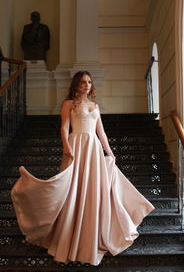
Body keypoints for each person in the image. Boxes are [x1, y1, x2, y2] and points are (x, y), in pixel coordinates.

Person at [11, 71, 155, 266]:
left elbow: (101, 132)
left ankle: (90, 239)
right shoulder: (69, 104)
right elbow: (64, 128)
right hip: (76, 146)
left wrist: (110, 153)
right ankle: (68, 236)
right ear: (76, 85)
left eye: (89, 82)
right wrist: (67, 148)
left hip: (93, 149)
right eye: (82, 82)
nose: (86, 85)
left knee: (93, 192)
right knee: (71, 191)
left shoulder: (95, 106)